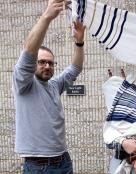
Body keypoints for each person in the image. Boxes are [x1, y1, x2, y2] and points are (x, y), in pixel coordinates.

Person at [12, 0, 86, 173]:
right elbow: (28, 53)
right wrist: (46, 17)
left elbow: (75, 68)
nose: (47, 66)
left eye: (51, 63)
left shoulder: (54, 85)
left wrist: (80, 43)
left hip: (64, 161)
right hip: (39, 167)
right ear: (33, 64)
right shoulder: (24, 84)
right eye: (42, 62)